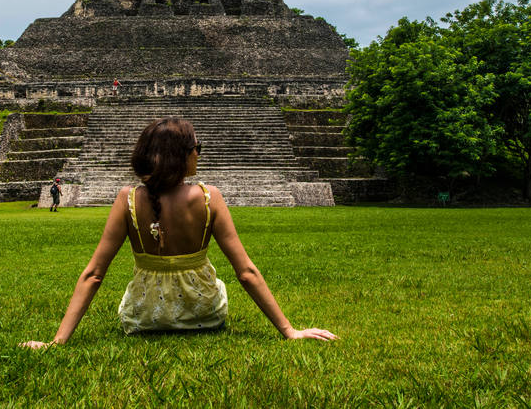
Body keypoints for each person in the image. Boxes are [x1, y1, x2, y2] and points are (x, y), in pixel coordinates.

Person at [21, 116, 337, 348]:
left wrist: (57, 341)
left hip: (144, 318)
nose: (199, 152)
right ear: (183, 155)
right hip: (205, 314)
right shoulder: (209, 196)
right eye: (196, 147)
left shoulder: (127, 199)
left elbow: (94, 274)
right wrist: (289, 330)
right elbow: (246, 273)